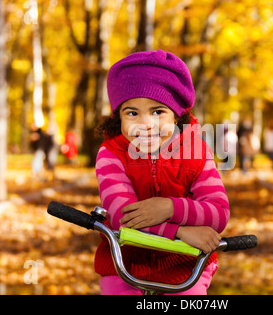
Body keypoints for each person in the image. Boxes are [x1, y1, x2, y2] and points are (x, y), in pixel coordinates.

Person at [94, 50, 230, 295]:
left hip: (185, 263)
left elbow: (218, 212)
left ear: (177, 116)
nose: (146, 123)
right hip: (125, 263)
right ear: (119, 117)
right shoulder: (111, 154)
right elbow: (122, 217)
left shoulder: (196, 152)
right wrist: (180, 231)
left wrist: (169, 207)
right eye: (132, 113)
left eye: (158, 112)